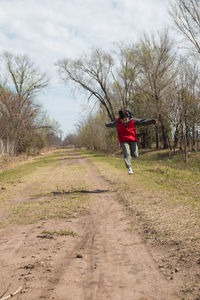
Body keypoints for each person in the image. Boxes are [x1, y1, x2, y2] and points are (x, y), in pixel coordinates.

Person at [105, 109, 158, 174]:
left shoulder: (133, 120)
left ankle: (130, 157)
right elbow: (111, 124)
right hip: (123, 140)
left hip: (132, 139)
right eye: (123, 120)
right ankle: (129, 168)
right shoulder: (117, 122)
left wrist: (152, 121)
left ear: (128, 117)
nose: (125, 121)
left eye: (126, 119)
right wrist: (106, 124)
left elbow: (142, 121)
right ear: (121, 119)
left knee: (135, 154)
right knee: (127, 152)